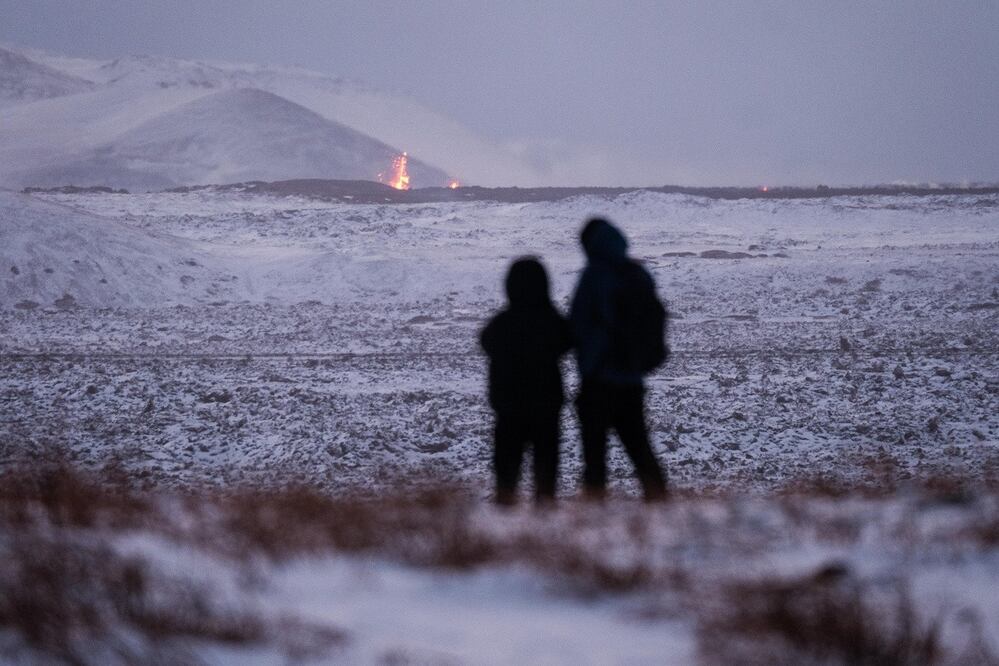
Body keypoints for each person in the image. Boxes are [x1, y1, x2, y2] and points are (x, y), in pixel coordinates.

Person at [570, 218, 668, 501]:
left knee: (595, 457)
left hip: (598, 378)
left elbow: (578, 324)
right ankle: (661, 506)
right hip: (632, 377)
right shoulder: (638, 274)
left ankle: (595, 514)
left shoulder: (594, 276)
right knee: (640, 449)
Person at [481, 257, 571, 505]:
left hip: (508, 406)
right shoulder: (551, 320)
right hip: (546, 404)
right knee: (546, 462)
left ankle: (505, 509)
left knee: (507, 464)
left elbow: (486, 340)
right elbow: (567, 340)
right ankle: (545, 509)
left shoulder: (503, 322)